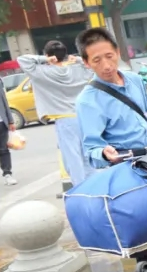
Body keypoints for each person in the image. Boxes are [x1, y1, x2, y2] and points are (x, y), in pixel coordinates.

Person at [74, 27, 147, 168]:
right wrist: (103, 153)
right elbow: (91, 150)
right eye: (97, 60)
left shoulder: (135, 80)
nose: (106, 66)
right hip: (128, 167)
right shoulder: (87, 101)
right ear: (87, 63)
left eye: (109, 56)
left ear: (118, 52)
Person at [16, 40, 95, 187]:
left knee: (72, 158)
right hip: (84, 117)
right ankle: (95, 186)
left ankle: (81, 189)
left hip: (64, 119)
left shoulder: (42, 72)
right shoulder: (77, 69)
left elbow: (22, 59)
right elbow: (92, 65)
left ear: (47, 55)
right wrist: (78, 59)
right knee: (87, 156)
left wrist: (44, 59)